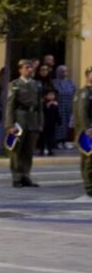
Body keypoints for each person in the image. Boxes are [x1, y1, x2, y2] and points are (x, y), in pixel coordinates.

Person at [5, 59, 43, 188]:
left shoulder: (36, 85)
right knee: (17, 150)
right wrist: (10, 124)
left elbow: (40, 106)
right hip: (20, 119)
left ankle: (26, 175)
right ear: (20, 69)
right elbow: (10, 105)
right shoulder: (15, 84)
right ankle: (16, 177)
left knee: (28, 150)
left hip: (33, 118)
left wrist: (40, 122)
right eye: (27, 67)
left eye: (31, 67)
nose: (30, 70)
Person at [75, 66, 92, 197]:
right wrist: (87, 128)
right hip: (88, 130)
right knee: (88, 159)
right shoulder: (84, 92)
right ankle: (89, 186)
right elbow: (82, 112)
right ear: (87, 76)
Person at [35, 63, 57, 155]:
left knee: (50, 130)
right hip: (40, 108)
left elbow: (55, 93)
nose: (44, 72)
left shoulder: (51, 82)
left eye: (46, 70)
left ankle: (50, 148)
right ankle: (41, 148)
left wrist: (53, 101)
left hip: (50, 110)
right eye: (42, 70)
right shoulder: (36, 82)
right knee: (42, 130)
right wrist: (44, 101)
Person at [55, 65, 76, 149]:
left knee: (68, 124)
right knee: (59, 124)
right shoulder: (54, 82)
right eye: (62, 71)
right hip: (59, 106)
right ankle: (58, 141)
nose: (64, 73)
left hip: (69, 106)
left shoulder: (70, 82)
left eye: (66, 71)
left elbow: (74, 91)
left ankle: (66, 141)